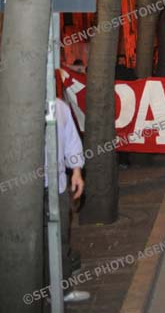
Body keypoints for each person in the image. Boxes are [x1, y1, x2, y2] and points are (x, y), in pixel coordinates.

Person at [43, 99, 89, 303]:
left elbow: (71, 139)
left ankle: (62, 291)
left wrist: (76, 171)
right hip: (23, 191)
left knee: (60, 239)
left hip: (57, 186)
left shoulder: (59, 107)